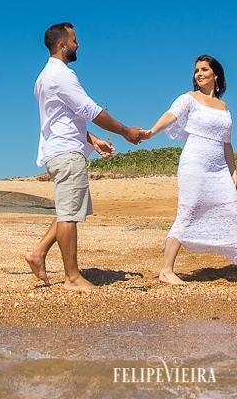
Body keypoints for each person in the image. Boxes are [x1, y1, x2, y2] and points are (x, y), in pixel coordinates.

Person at [26, 22, 146, 293]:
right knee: (69, 214)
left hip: (59, 149)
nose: (78, 45)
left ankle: (38, 253)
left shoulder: (42, 79)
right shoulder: (62, 75)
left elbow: (64, 118)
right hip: (66, 153)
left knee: (68, 209)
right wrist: (126, 131)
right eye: (74, 40)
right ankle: (72, 278)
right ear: (61, 45)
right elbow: (89, 109)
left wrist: (91, 140)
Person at [144, 55, 237, 285]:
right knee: (187, 213)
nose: (199, 73)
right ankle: (166, 271)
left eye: (204, 69)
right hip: (194, 165)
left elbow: (227, 142)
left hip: (219, 169)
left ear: (216, 75)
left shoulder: (223, 106)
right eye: (196, 70)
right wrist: (151, 132)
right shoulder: (190, 98)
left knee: (231, 212)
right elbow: (171, 115)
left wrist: (233, 171)